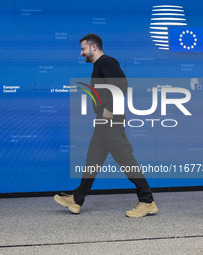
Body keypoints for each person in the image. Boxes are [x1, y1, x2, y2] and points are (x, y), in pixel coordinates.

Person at [54, 33, 158, 218]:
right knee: (92, 160)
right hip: (104, 122)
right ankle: (77, 200)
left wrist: (110, 108)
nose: (81, 53)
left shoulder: (106, 62)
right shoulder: (99, 66)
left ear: (94, 47)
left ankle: (147, 201)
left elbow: (122, 84)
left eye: (83, 49)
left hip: (111, 121)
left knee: (125, 158)